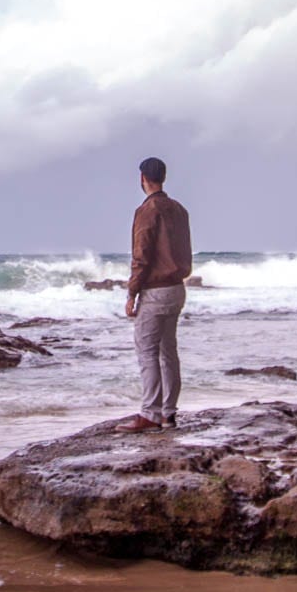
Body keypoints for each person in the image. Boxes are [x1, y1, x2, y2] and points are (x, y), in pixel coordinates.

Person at [115, 156, 192, 433]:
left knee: (147, 351)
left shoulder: (147, 210)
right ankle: (169, 414)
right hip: (177, 289)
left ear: (143, 178)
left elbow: (142, 256)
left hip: (156, 291)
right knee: (168, 351)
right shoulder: (179, 210)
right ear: (163, 177)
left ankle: (150, 413)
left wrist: (131, 292)